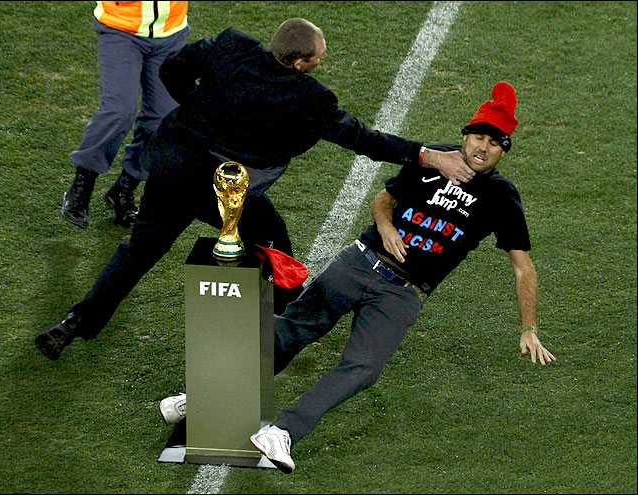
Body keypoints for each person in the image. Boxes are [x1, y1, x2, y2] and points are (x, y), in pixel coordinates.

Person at [160, 81, 557, 474]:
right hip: (359, 262)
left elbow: (523, 266)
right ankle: (202, 399)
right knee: (292, 330)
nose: (483, 148)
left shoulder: (502, 197)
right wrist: (385, 226)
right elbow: (385, 198)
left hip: (404, 293)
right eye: (479, 137)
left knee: (364, 367)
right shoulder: (435, 159)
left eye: (495, 143)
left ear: (503, 151)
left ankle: (282, 431)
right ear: (466, 135)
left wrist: (529, 327)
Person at [35, 18, 474, 361]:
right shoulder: (309, 98)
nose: (322, 60)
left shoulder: (230, 46)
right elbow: (365, 139)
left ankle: (75, 322)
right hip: (225, 189)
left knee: (137, 253)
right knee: (273, 239)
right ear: (299, 63)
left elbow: (171, 71)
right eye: (319, 56)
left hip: (175, 169)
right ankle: (281, 324)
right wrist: (432, 156)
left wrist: (196, 108)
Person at [60, 1, 190, 229]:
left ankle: (125, 187)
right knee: (118, 111)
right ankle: (82, 186)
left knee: (166, 121)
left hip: (171, 32)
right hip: (121, 30)